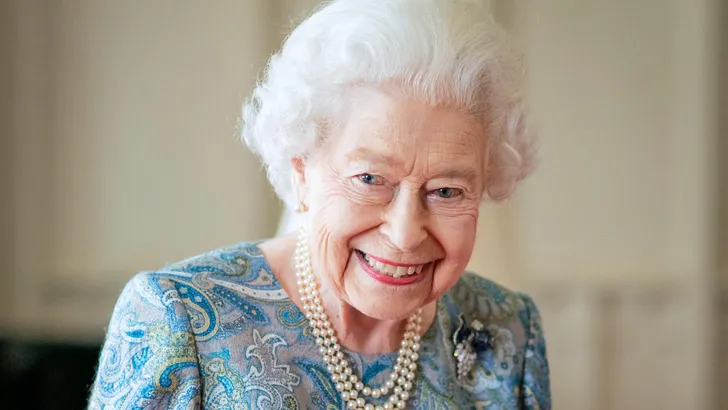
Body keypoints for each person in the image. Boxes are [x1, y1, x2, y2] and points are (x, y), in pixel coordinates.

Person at [87, 0, 551, 408]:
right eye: (369, 179)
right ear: (302, 172)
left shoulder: (505, 329)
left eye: (446, 191)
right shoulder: (179, 318)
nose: (407, 232)